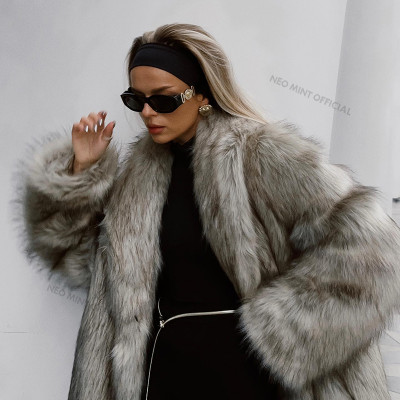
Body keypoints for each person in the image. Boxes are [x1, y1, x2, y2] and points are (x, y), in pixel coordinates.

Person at [17, 23, 400, 400]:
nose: (147, 112)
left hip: (246, 378)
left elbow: (375, 250)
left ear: (202, 94)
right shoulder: (136, 180)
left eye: (163, 99)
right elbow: (86, 267)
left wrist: (283, 331)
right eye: (136, 99)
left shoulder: (259, 155)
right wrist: (80, 173)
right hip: (160, 372)